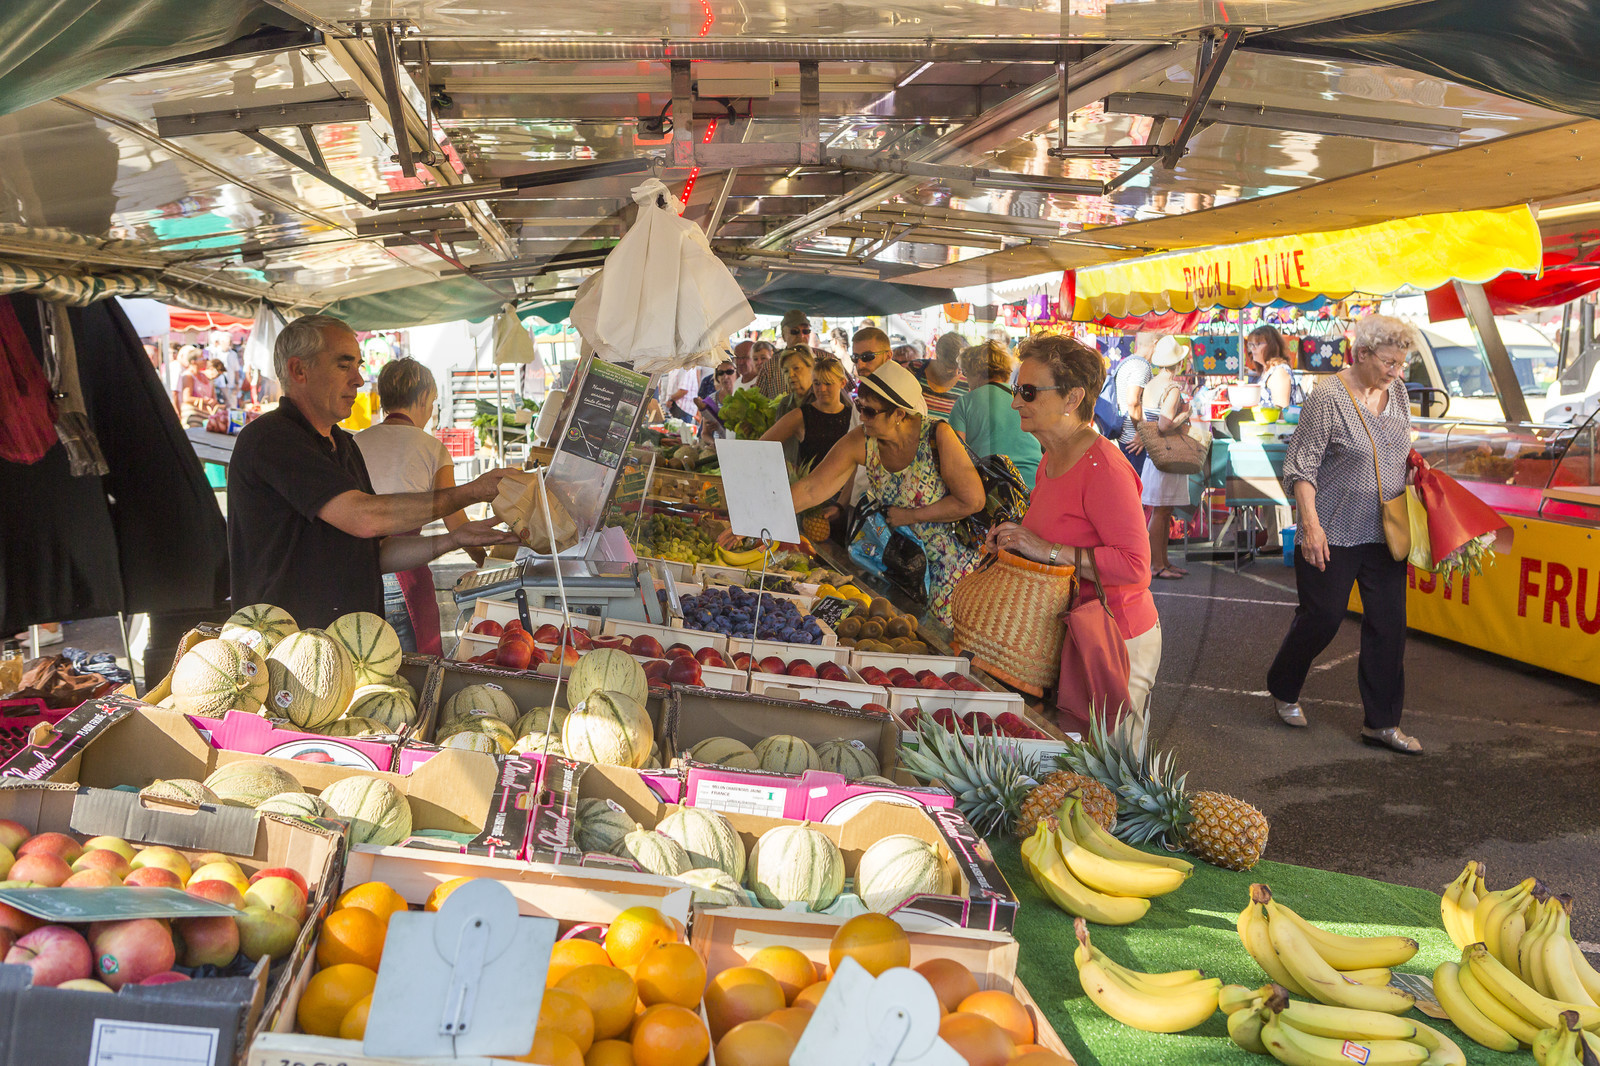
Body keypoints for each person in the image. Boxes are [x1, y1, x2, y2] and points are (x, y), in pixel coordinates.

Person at [228, 314, 518, 629]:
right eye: (344, 366)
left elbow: (378, 552)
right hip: (286, 642)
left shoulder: (344, 444)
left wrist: (453, 539)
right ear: (299, 370)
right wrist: (468, 493)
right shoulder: (273, 438)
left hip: (350, 640)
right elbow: (363, 518)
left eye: (358, 366)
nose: (358, 379)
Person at [986, 334, 1158, 749]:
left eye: (1028, 392)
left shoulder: (1103, 467)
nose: (1015, 402)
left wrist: (1043, 549)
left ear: (1072, 398)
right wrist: (1014, 539)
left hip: (1113, 638)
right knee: (1076, 759)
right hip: (1074, 632)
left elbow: (1135, 566)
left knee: (1111, 765)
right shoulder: (1051, 456)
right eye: (1016, 390)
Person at [1267, 314, 1420, 754]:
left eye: (1401, 364)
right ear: (1363, 353)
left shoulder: (1398, 393)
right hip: (1332, 529)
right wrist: (1311, 526)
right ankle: (1283, 684)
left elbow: (1398, 448)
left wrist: (1415, 468)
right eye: (1389, 362)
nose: (1396, 372)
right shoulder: (1328, 396)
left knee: (1389, 626)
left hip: (1385, 531)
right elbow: (1301, 467)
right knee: (1323, 618)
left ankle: (1382, 723)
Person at [788, 363, 984, 626]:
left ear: (899, 414)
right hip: (896, 563)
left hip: (947, 566)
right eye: (860, 407)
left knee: (938, 640)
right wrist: (755, 520)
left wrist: (911, 516)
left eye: (870, 411)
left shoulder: (937, 435)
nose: (862, 418)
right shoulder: (864, 440)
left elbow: (972, 500)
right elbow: (811, 489)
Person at [354, 358, 486, 655]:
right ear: (424, 397)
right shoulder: (432, 448)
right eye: (433, 402)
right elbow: (455, 518)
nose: (431, 411)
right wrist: (484, 561)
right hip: (406, 573)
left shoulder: (355, 443)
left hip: (359, 573)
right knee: (417, 670)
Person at [1133, 336, 1195, 580]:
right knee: (1161, 512)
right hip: (1168, 455)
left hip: (1156, 455)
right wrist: (1185, 415)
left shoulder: (1151, 385)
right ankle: (1157, 565)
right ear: (1179, 363)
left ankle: (1163, 562)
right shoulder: (1173, 389)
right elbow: (1165, 424)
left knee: (1163, 510)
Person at [948, 340, 1041, 487]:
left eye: (966, 373)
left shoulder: (965, 403)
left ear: (976, 372)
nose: (966, 380)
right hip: (1034, 482)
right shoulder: (1024, 398)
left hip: (993, 489)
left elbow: (955, 456)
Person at [762, 353, 852, 472]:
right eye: (817, 383)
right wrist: (792, 470)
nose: (822, 389)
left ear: (842, 383)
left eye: (828, 383)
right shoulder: (801, 415)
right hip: (811, 483)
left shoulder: (852, 415)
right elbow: (762, 446)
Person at [1112, 334, 1154, 468]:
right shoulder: (1141, 366)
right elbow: (1133, 401)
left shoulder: (1128, 362)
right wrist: (1141, 432)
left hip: (1127, 437)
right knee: (1137, 479)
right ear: (1155, 343)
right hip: (1135, 441)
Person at [759, 313, 808, 397]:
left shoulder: (824, 359)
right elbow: (759, 399)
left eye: (806, 331)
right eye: (794, 331)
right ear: (783, 335)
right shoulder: (770, 366)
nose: (801, 336)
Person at [1253, 325, 1296, 408]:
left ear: (1271, 347)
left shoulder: (1279, 372)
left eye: (1258, 344)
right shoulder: (1268, 370)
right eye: (1252, 344)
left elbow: (1281, 409)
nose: (1253, 348)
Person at [695, 359, 738, 439]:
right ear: (717, 377)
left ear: (737, 373)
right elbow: (705, 433)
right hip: (717, 444)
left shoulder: (743, 396)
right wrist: (712, 443)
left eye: (729, 372)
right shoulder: (712, 399)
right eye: (720, 373)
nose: (725, 376)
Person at [179, 347, 219, 427]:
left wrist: (213, 401)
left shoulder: (205, 376)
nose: (205, 360)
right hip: (194, 416)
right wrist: (204, 401)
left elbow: (213, 396)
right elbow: (186, 398)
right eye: (202, 358)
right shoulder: (188, 376)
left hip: (206, 415)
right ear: (193, 361)